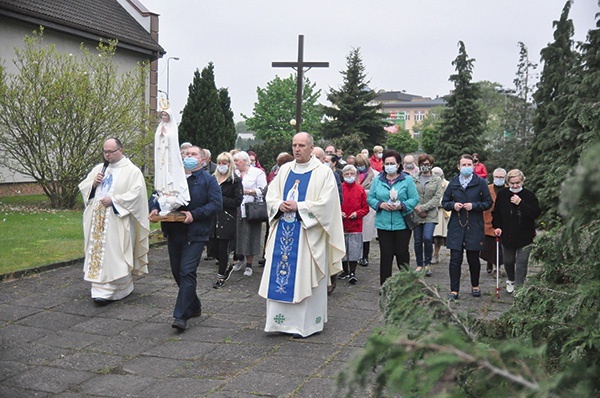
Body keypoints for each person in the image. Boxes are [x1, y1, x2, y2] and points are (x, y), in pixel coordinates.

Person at [258, 132, 345, 338]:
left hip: (308, 236)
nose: (297, 149)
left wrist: (301, 207)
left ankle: (305, 325)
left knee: (305, 276)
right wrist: (279, 204)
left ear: (311, 147)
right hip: (283, 232)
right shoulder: (285, 169)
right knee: (280, 277)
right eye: (294, 145)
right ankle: (279, 323)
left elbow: (328, 204)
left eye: (302, 145)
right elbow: (272, 195)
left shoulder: (323, 173)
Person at [149, 145, 222, 330]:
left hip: (195, 233)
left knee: (187, 271)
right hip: (174, 233)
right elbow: (156, 195)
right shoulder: (172, 179)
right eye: (186, 154)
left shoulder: (208, 181)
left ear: (203, 160)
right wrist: (155, 208)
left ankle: (180, 316)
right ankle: (195, 305)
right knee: (177, 272)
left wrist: (194, 214)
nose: (188, 156)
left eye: (193, 154)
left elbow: (215, 204)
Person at [79, 138, 149, 305]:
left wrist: (115, 201)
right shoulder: (99, 168)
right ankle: (98, 289)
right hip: (97, 219)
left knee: (115, 253)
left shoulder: (132, 171)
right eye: (105, 152)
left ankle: (118, 287)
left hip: (117, 219)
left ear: (121, 150)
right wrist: (93, 184)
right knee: (98, 253)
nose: (107, 155)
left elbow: (137, 194)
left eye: (111, 151)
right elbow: (85, 186)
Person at [442, 154, 492, 300]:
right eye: (463, 165)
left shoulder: (480, 182)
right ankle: (454, 290)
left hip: (474, 225)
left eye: (469, 164)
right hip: (457, 225)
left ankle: (475, 285)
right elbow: (445, 201)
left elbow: (488, 202)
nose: (466, 167)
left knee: (473, 258)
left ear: (473, 166)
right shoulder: (453, 183)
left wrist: (474, 206)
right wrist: (453, 205)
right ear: (458, 167)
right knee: (455, 259)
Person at [367, 149, 419, 285]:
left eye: (392, 163)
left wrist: (402, 205)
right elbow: (370, 198)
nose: (389, 165)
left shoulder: (406, 180)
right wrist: (380, 204)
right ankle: (385, 285)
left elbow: (414, 198)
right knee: (386, 255)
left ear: (398, 165)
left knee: (402, 254)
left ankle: (406, 285)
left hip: (401, 223)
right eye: (387, 163)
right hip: (383, 224)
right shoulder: (378, 180)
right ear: (383, 164)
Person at [492, 169, 541, 293]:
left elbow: (535, 213)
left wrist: (521, 203)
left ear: (522, 181)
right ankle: (511, 279)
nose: (515, 186)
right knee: (508, 261)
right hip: (507, 235)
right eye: (512, 183)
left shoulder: (529, 196)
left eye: (517, 183)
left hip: (525, 235)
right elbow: (496, 213)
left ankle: (519, 287)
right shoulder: (503, 194)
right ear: (508, 182)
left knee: (521, 263)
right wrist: (497, 227)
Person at [211, 152, 243, 288]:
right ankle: (225, 265)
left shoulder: (235, 181)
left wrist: (220, 199)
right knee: (212, 248)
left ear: (230, 164)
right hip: (213, 217)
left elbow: (237, 200)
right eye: (219, 163)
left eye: (224, 163)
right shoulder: (213, 179)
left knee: (223, 248)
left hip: (227, 218)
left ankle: (221, 276)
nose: (221, 166)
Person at [233, 151, 267, 276]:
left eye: (237, 161)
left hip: (251, 209)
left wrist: (247, 191)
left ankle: (249, 264)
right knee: (238, 235)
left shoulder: (257, 173)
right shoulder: (235, 173)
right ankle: (240, 259)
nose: (235, 163)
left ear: (244, 161)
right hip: (237, 208)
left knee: (250, 236)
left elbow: (263, 190)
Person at [154, 106, 190, 215]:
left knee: (170, 172)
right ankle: (164, 193)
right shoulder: (160, 126)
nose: (163, 117)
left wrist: (165, 135)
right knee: (163, 173)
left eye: (165, 115)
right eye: (162, 115)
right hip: (162, 154)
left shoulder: (172, 127)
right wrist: (160, 135)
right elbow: (157, 140)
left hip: (170, 156)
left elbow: (173, 140)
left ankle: (172, 192)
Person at [412, 154, 443, 277]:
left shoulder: (437, 179)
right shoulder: (413, 178)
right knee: (417, 240)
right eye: (423, 164)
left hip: (430, 214)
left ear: (431, 165)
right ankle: (420, 264)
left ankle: (427, 263)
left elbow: (437, 197)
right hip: (416, 212)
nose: (425, 166)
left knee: (427, 238)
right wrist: (417, 208)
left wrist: (424, 208)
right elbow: (410, 194)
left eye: (427, 164)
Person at [339, 165, 370, 284]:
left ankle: (352, 272)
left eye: (351, 174)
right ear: (343, 176)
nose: (349, 176)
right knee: (343, 248)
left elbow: (365, 208)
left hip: (355, 224)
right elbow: (334, 205)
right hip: (341, 223)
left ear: (356, 175)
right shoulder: (339, 189)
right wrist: (338, 212)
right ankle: (344, 271)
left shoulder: (360, 189)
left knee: (354, 249)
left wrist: (357, 214)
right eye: (346, 174)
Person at [480, 168, 507, 275]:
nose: (499, 179)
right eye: (497, 177)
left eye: (501, 177)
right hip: (488, 221)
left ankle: (497, 268)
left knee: (499, 247)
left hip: (502, 223)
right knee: (489, 246)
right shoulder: (487, 189)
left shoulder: (508, 190)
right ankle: (490, 262)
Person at [355, 153, 378, 267]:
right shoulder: (354, 174)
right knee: (356, 232)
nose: (360, 167)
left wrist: (362, 192)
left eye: (362, 164)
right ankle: (356, 255)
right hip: (356, 206)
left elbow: (375, 191)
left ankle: (365, 256)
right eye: (358, 165)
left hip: (368, 206)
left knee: (366, 233)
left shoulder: (374, 174)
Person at [431, 167, 450, 264]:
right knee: (427, 236)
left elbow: (447, 199)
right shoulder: (428, 183)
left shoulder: (446, 184)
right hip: (429, 212)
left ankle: (436, 254)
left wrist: (435, 202)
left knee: (438, 236)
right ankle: (428, 254)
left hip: (440, 212)